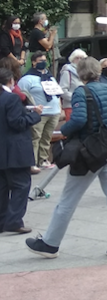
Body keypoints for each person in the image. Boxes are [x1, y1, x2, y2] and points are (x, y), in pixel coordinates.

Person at [26, 57, 107, 259]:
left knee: (68, 199)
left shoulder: (81, 92)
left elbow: (78, 119)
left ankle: (50, 243)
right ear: (99, 71)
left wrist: (63, 132)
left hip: (88, 154)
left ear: (80, 74)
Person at [0, 68, 42, 235]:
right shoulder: (11, 99)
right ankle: (14, 220)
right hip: (15, 150)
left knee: (2, 187)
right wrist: (36, 115)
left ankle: (2, 220)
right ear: (10, 80)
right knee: (21, 185)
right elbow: (17, 123)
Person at [18, 52, 62, 172]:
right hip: (38, 113)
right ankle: (32, 163)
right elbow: (22, 96)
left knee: (46, 138)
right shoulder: (27, 79)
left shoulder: (50, 77)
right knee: (35, 138)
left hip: (53, 112)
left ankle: (43, 160)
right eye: (40, 60)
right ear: (33, 62)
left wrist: (59, 107)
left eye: (44, 60)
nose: (43, 62)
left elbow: (57, 94)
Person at [59, 49, 87, 116]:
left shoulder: (86, 72)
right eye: (77, 58)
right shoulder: (67, 72)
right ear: (72, 59)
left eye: (82, 58)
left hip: (85, 105)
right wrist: (76, 98)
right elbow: (62, 90)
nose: (79, 60)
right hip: (71, 106)